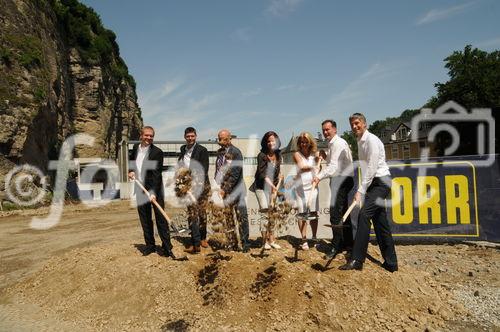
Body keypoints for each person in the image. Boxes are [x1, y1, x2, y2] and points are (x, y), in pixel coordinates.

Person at [339, 113, 398, 272]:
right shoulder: (360, 141)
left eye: (357, 123)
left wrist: (361, 191)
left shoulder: (371, 140)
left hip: (381, 182)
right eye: (352, 124)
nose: (354, 127)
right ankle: (391, 263)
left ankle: (357, 260)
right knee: (380, 222)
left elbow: (371, 168)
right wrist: (364, 188)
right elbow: (365, 168)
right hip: (373, 183)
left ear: (364, 124)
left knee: (364, 215)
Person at [128, 126, 175, 258]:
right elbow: (131, 161)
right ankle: (150, 246)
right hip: (140, 188)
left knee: (161, 219)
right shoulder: (135, 149)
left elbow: (156, 174)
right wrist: (131, 171)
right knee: (145, 219)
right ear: (141, 136)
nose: (149, 138)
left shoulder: (157, 152)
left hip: (155, 190)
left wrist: (153, 192)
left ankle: (167, 247)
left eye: (151, 136)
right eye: (146, 135)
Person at [313, 120, 354, 259]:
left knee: (335, 213)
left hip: (343, 179)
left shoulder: (338, 143)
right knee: (343, 213)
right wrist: (325, 156)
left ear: (335, 129)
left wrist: (318, 176)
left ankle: (336, 246)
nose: (325, 132)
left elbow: (333, 168)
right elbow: (333, 162)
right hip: (340, 179)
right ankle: (348, 244)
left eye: (328, 129)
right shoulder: (332, 144)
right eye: (323, 130)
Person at [214, 129, 250, 252]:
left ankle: (245, 245)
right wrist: (217, 185)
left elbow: (235, 174)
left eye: (223, 138)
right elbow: (218, 170)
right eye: (219, 138)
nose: (220, 141)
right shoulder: (220, 153)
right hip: (224, 192)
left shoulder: (236, 152)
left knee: (242, 217)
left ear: (229, 139)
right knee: (229, 218)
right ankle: (233, 243)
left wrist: (225, 189)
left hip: (237, 190)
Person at [178, 127, 210, 254]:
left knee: (202, 213)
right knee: (192, 214)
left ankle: (203, 238)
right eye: (188, 136)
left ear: (196, 136)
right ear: (185, 137)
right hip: (187, 187)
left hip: (201, 186)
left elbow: (204, 169)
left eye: (192, 136)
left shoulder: (202, 150)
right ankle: (195, 243)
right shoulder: (182, 149)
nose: (190, 138)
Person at [253, 131, 282, 250]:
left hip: (273, 187)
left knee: (272, 213)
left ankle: (272, 240)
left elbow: (278, 171)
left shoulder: (279, 154)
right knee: (265, 212)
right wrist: (273, 187)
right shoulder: (262, 155)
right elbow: (262, 174)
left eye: (273, 140)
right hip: (261, 187)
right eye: (268, 141)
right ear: (265, 143)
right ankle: (264, 242)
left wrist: (280, 177)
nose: (271, 143)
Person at [293, 132, 321, 250]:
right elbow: (301, 167)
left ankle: (314, 237)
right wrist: (313, 167)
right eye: (302, 142)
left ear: (310, 142)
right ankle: (304, 239)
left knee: (314, 213)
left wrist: (318, 175)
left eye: (306, 142)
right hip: (301, 188)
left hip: (313, 187)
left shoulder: (315, 154)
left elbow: (320, 168)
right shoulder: (296, 154)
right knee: (302, 213)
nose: (304, 144)